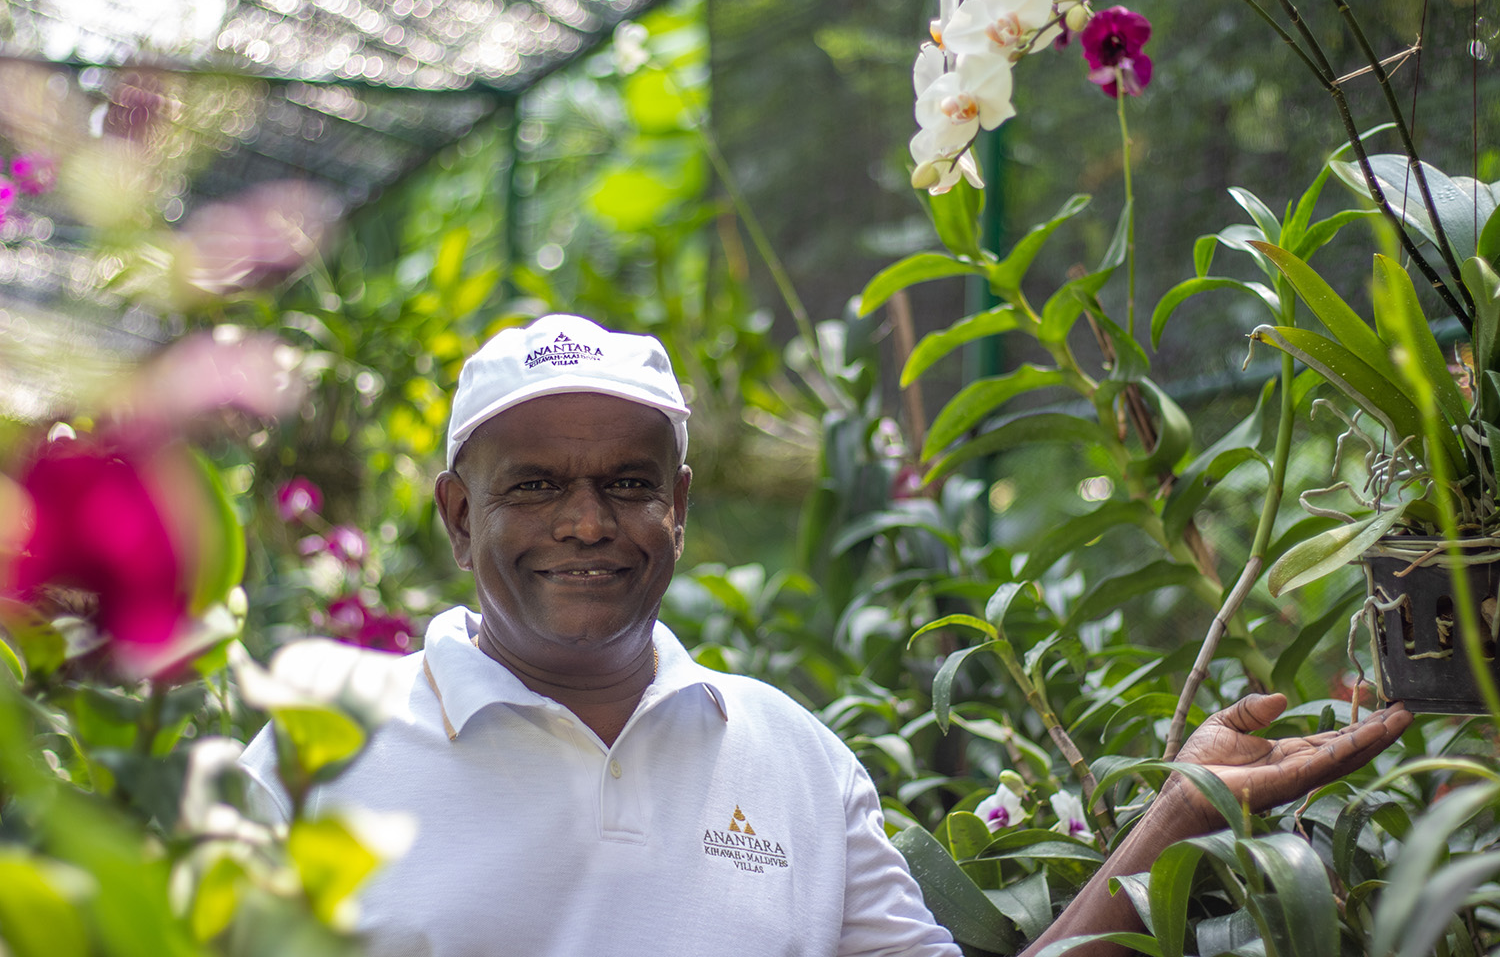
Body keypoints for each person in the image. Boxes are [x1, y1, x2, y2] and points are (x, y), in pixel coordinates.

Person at [240, 313, 1411, 957]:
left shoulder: (788, 757)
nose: (588, 521)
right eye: (535, 485)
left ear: (680, 508)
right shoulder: (311, 762)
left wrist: (1180, 815)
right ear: (458, 513)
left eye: (629, 482)